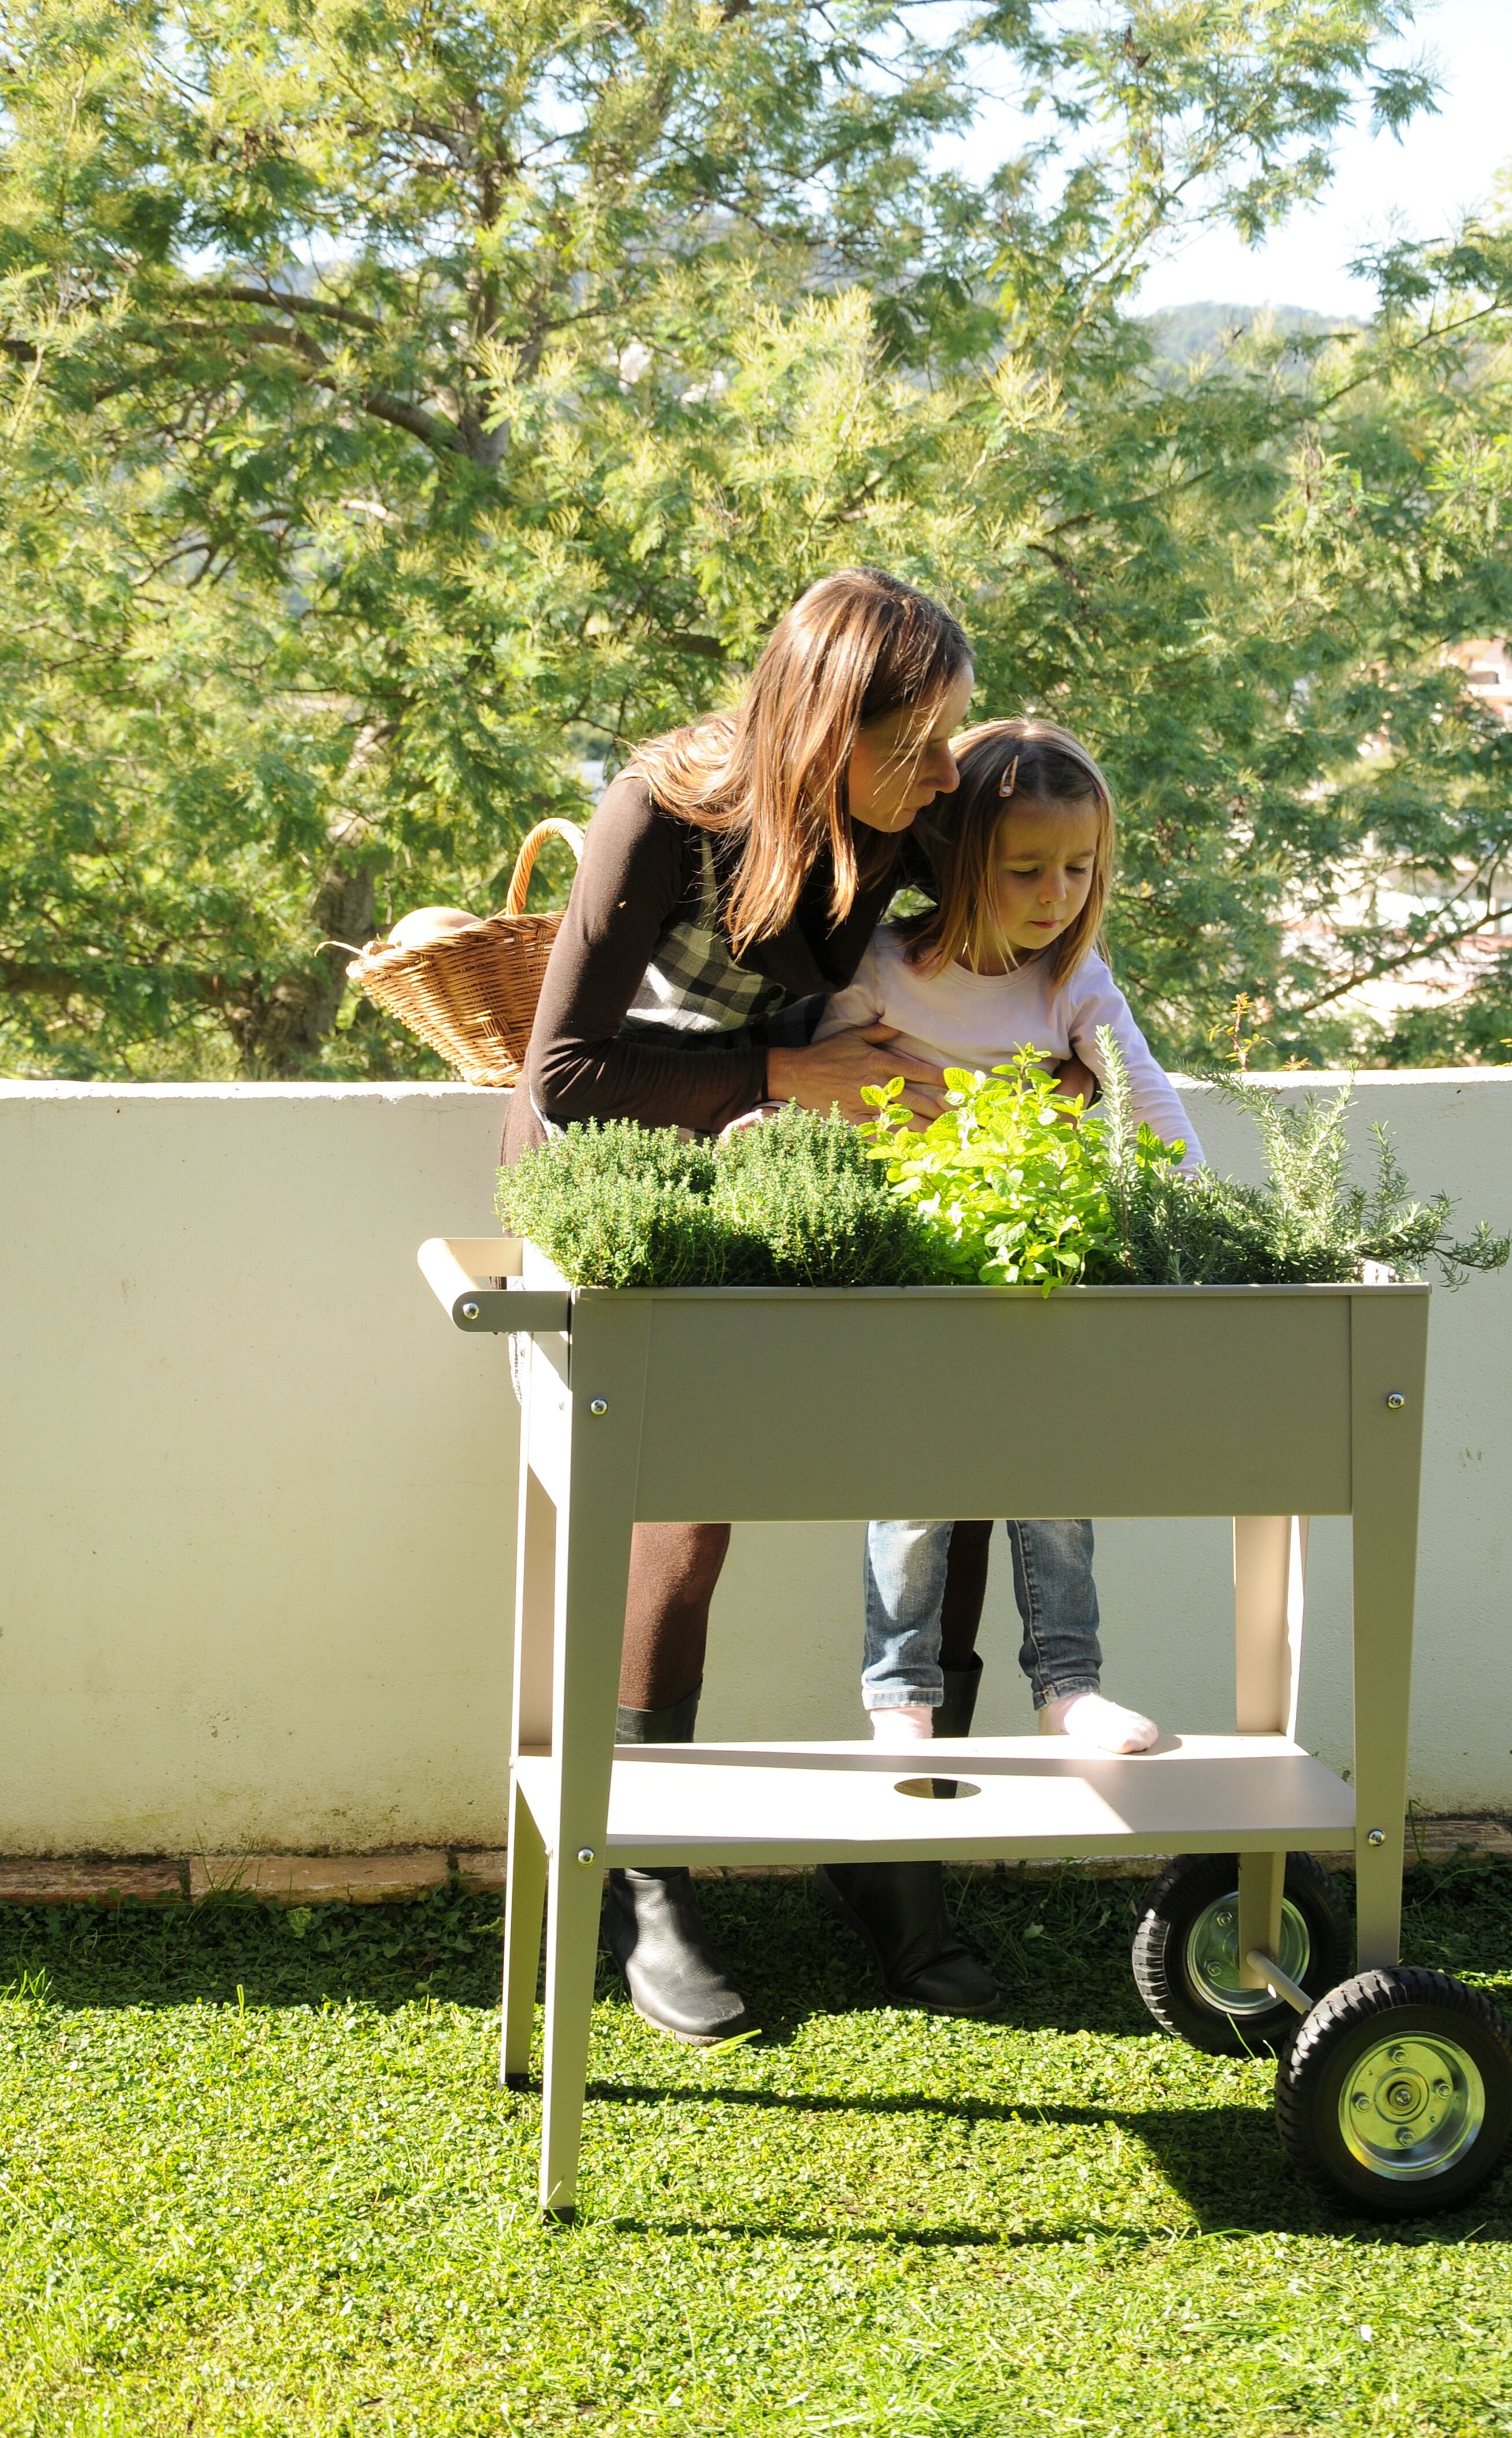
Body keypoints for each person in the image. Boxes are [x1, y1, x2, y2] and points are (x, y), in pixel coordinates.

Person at [502, 567, 1001, 2044]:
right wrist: (787, 1075)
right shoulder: (662, 810)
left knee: (948, 1446)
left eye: (951, 732)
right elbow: (561, 1079)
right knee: (692, 1488)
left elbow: (1035, 927)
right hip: (621, 1165)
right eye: (912, 737)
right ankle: (645, 1873)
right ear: (816, 722)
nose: (939, 770)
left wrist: (1055, 1056)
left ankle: (899, 1841)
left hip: (792, 1148)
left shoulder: (915, 811)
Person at [812, 716, 1205, 1768]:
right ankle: (900, 1693)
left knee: (1057, 1481)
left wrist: (1201, 1221)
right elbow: (820, 1098)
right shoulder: (884, 970)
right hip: (912, 1276)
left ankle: (1069, 1686)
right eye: (1027, 868)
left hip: (1037, 1283)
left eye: (1079, 867)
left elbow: (1149, 1103)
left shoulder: (1070, 984)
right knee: (913, 1490)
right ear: (956, 859)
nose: (1057, 894)